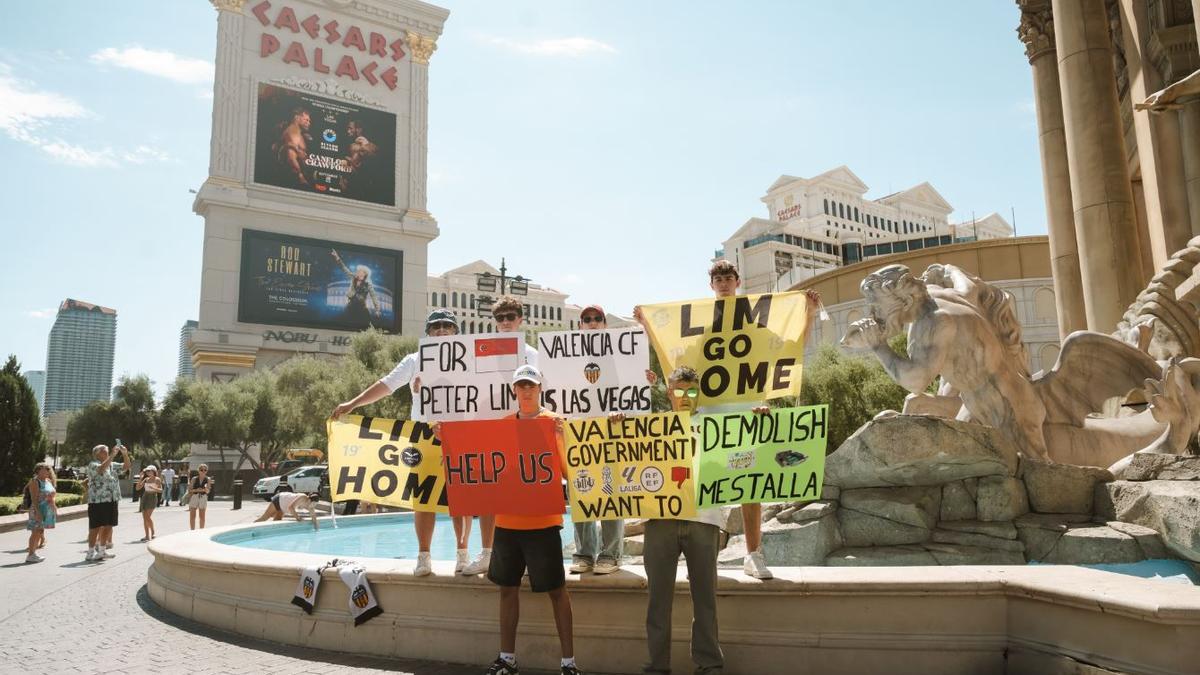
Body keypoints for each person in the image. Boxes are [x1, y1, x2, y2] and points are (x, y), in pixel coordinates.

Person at [332, 309, 472, 576]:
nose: (441, 330)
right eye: (436, 326)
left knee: (461, 499)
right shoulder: (414, 360)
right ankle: (423, 556)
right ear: (428, 332)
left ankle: (462, 554)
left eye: (447, 325)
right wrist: (352, 404)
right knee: (423, 498)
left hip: (458, 433)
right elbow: (386, 385)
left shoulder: (470, 358)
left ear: (456, 331)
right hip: (422, 435)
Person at [483, 364, 579, 675]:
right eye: (521, 386)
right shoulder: (502, 424)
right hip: (507, 523)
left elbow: (570, 472)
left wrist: (565, 440)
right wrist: (448, 438)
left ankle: (568, 663)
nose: (526, 390)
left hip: (544, 523)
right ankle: (507, 659)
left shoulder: (556, 424)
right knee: (507, 589)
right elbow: (484, 466)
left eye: (531, 385)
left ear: (540, 389)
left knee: (556, 590)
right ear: (514, 390)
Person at [640, 366, 727, 675]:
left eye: (691, 391)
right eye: (680, 391)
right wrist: (617, 425)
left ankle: (709, 665)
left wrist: (758, 418)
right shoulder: (652, 425)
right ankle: (656, 668)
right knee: (657, 601)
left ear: (698, 392)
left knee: (706, 600)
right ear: (669, 392)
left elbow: (746, 446)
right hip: (660, 520)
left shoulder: (717, 426)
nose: (686, 397)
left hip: (704, 520)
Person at [567, 304, 657, 576]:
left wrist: (645, 384)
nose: (592, 323)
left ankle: (611, 554)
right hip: (580, 434)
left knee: (610, 492)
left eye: (597, 319)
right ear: (580, 325)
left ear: (604, 324)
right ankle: (584, 554)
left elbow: (633, 387)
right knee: (582, 492)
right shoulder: (569, 358)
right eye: (587, 319)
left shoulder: (619, 355)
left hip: (611, 433)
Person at [459, 296, 540, 578]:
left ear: (521, 319)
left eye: (510, 316)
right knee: (488, 495)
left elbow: (546, 387)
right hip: (489, 429)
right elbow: (464, 387)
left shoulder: (532, 353)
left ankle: (529, 559)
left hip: (523, 427)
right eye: (500, 317)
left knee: (526, 492)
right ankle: (487, 554)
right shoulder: (480, 351)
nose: (505, 322)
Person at [85, 443, 130, 562]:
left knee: (109, 525)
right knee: (95, 527)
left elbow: (126, 467)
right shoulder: (93, 464)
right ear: (97, 453)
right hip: (97, 501)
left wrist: (125, 454)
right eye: (105, 451)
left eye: (107, 451)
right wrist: (112, 456)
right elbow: (101, 469)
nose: (107, 452)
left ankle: (102, 550)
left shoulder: (112, 465)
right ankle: (90, 552)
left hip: (112, 499)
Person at [331, 249, 383, 328]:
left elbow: (374, 296)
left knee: (367, 326)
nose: (357, 272)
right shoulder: (353, 277)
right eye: (358, 271)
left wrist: (377, 309)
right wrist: (337, 258)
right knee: (343, 322)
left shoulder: (368, 284)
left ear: (364, 274)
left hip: (361, 307)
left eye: (359, 271)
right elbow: (345, 269)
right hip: (351, 305)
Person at [24, 463, 57, 563]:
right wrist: (38, 512)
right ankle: (31, 555)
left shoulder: (48, 481)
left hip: (47, 509)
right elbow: (34, 498)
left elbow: (52, 494)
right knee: (35, 532)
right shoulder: (35, 481)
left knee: (40, 531)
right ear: (37, 471)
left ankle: (33, 554)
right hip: (37, 509)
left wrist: (53, 504)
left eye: (47, 469)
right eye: (43, 469)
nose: (46, 471)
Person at [256, 491, 321, 530]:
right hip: (279, 499)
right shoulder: (303, 497)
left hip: (283, 505)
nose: (314, 506)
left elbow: (313, 515)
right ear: (310, 500)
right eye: (314, 504)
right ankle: (251, 525)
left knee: (277, 521)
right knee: (265, 517)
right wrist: (298, 518)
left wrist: (316, 527)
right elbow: (291, 507)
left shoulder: (310, 506)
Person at [136, 466, 162, 542]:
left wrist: (154, 488)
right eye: (147, 471)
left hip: (152, 497)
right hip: (145, 497)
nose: (148, 472)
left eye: (149, 471)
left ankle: (153, 532)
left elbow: (161, 490)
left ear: (154, 471)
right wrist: (140, 478)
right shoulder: (146, 479)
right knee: (145, 518)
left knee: (147, 517)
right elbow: (137, 488)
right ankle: (147, 536)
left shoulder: (157, 479)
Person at [188, 465, 212, 530]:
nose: (203, 471)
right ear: (198, 470)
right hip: (194, 497)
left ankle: (201, 531)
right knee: (192, 516)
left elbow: (208, 491)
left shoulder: (208, 479)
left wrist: (206, 490)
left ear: (207, 471)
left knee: (202, 516)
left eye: (205, 470)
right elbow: (189, 490)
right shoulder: (194, 478)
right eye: (201, 470)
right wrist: (197, 490)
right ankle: (192, 531)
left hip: (203, 497)